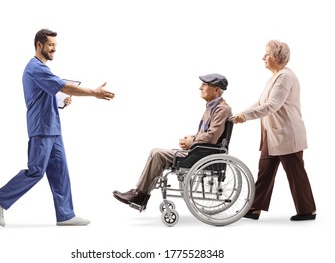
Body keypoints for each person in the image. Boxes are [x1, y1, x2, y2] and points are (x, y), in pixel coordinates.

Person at [0, 29, 115, 227]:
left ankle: (65, 215)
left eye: (55, 45)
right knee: (36, 171)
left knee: (60, 170)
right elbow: (62, 86)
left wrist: (61, 100)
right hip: (42, 128)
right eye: (50, 45)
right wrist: (94, 93)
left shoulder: (41, 68)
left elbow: (50, 93)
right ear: (39, 45)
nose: (54, 49)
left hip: (53, 127)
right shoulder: (35, 68)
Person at [113, 74, 232, 209]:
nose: (200, 88)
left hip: (204, 155)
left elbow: (212, 137)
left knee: (158, 154)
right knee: (155, 151)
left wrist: (192, 141)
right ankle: (139, 194)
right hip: (200, 151)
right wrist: (191, 138)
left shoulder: (222, 109)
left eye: (205, 85)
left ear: (216, 89)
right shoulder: (213, 107)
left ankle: (140, 195)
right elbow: (207, 133)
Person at [231, 40, 316, 221]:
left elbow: (272, 106)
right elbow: (261, 103)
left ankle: (308, 210)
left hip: (287, 135)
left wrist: (245, 116)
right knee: (265, 170)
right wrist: (241, 114)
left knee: (295, 173)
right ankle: (254, 207)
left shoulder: (285, 77)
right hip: (272, 135)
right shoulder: (274, 77)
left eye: (267, 54)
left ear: (277, 57)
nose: (263, 57)